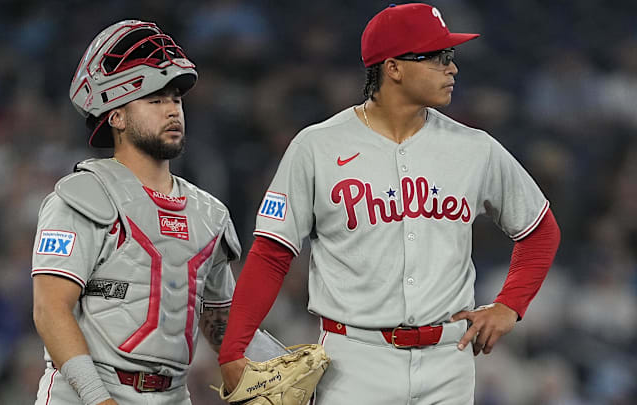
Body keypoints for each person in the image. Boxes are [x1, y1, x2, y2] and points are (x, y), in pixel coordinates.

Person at [218, 3, 560, 404]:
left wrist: (509, 306)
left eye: (449, 57)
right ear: (393, 68)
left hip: (448, 361)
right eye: (436, 57)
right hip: (354, 360)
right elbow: (273, 252)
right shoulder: (318, 146)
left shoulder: (476, 148)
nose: (452, 68)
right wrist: (233, 349)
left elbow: (540, 230)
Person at [31, 20, 240, 405]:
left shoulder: (210, 214)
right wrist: (99, 400)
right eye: (155, 100)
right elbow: (50, 310)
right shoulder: (82, 196)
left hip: (175, 396)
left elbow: (222, 327)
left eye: (176, 98)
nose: (172, 110)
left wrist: (261, 371)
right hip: (82, 395)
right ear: (117, 117)